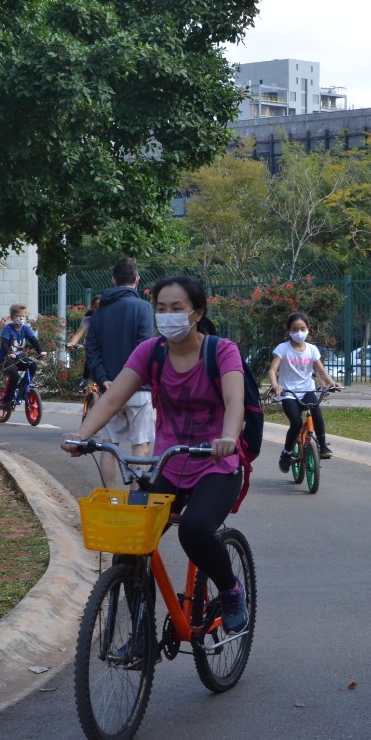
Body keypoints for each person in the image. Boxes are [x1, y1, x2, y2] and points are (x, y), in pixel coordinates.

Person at [63, 275, 248, 633]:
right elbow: (114, 396)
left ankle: (230, 589)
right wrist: (82, 435)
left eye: (176, 308)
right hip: (170, 462)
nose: (167, 316)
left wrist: (228, 436)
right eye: (161, 309)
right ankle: (141, 636)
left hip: (216, 462)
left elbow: (233, 400)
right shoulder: (151, 351)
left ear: (197, 314)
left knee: (193, 530)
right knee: (129, 542)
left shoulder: (221, 351)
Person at [84, 259, 155, 487]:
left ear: (113, 280)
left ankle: (109, 499)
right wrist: (131, 380)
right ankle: (136, 499)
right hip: (138, 388)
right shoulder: (143, 308)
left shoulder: (100, 312)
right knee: (140, 445)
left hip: (108, 392)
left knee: (109, 444)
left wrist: (104, 380)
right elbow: (145, 348)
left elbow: (92, 351)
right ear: (137, 279)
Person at [266, 312, 342, 470]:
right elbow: (273, 370)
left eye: (302, 328)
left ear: (308, 329)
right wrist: (275, 385)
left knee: (316, 413)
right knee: (295, 422)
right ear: (288, 331)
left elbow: (321, 371)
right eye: (294, 329)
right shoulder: (283, 348)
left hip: (307, 390)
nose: (299, 332)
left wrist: (332, 383)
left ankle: (322, 446)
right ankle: (286, 453)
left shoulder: (312, 349)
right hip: (288, 392)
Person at [0, 303, 47, 405]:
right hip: (4, 359)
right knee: (14, 375)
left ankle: (23, 390)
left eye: (23, 316)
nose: (21, 318)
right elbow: (4, 343)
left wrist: (41, 351)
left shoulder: (25, 328)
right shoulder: (8, 329)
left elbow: (34, 341)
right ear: (12, 317)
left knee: (32, 365)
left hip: (18, 358)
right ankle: (7, 400)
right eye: (18, 316)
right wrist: (9, 353)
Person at [66, 294, 100, 394]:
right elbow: (77, 335)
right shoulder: (88, 320)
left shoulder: (111, 320)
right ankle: (84, 380)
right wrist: (71, 344)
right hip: (92, 346)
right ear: (92, 308)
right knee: (91, 355)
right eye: (96, 307)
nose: (98, 309)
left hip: (106, 348)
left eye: (101, 306)